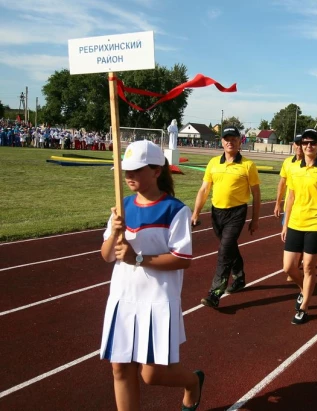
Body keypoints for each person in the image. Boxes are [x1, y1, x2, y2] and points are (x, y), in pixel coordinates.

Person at [100, 140, 204, 411]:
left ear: (157, 171)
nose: (129, 176)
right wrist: (114, 234)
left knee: (151, 374)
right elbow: (107, 255)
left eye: (136, 170)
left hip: (156, 301)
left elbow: (183, 259)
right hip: (123, 298)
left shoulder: (175, 210)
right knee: (120, 369)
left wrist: (138, 258)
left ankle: (192, 382)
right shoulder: (122, 206)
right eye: (126, 171)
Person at [192, 126, 261, 308]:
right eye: (226, 139)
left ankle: (215, 292)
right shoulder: (213, 163)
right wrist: (196, 212)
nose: (230, 142)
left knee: (224, 251)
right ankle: (239, 277)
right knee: (229, 247)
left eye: (233, 139)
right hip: (217, 213)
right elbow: (204, 189)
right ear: (222, 141)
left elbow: (256, 194)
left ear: (240, 141)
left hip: (237, 213)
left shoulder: (248, 165)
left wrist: (255, 219)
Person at [282, 129, 317, 324]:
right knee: (288, 267)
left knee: (308, 267)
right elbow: (291, 197)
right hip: (296, 222)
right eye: (305, 143)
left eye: (312, 143)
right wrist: (285, 224)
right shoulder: (294, 168)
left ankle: (304, 307)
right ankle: (304, 290)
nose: (308, 146)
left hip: (316, 223)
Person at [275, 135, 304, 281]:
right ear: (293, 145)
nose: (299, 146)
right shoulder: (287, 162)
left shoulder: (312, 163)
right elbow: (282, 183)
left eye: (302, 143)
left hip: (306, 209)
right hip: (290, 207)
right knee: (289, 237)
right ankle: (294, 264)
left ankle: (297, 265)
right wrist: (278, 202)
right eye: (297, 143)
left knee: (302, 240)